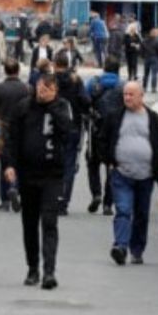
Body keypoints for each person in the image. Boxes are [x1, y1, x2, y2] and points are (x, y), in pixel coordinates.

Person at [4, 73, 74, 290]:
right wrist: (10, 165)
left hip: (52, 174)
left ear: (55, 90)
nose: (42, 93)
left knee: (49, 222)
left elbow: (68, 132)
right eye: (40, 88)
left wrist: (51, 105)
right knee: (30, 223)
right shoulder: (24, 107)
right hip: (28, 173)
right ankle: (33, 267)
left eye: (47, 89)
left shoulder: (62, 106)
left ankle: (49, 271)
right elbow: (12, 138)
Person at [100, 81, 158, 265]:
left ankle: (137, 250)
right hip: (121, 173)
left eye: (131, 94)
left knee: (141, 214)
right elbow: (102, 139)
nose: (127, 98)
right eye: (125, 94)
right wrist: (109, 161)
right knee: (123, 210)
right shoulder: (115, 116)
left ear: (141, 96)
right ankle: (120, 246)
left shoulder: (153, 119)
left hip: (146, 176)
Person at [0, 59, 31, 213]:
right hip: (23, 128)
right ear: (18, 71)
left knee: (5, 163)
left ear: (5, 71)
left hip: (4, 128)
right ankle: (16, 187)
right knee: (21, 162)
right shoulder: (26, 88)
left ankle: (5, 199)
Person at [85, 60, 124, 215]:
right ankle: (108, 203)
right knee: (112, 167)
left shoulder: (93, 84)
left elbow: (85, 102)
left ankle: (96, 193)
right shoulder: (122, 86)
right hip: (115, 133)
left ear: (104, 68)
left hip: (96, 129)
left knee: (92, 163)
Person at [53, 55, 90, 216]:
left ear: (55, 64)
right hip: (73, 126)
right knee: (69, 164)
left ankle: (52, 197)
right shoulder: (76, 81)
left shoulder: (51, 80)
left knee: (52, 163)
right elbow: (85, 101)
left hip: (54, 127)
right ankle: (64, 200)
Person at [141, 28, 158, 93]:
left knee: (146, 74)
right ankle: (153, 88)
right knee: (154, 74)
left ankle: (144, 87)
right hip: (154, 57)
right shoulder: (157, 41)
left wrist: (143, 56)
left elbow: (141, 50)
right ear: (155, 34)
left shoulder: (144, 40)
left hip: (147, 58)